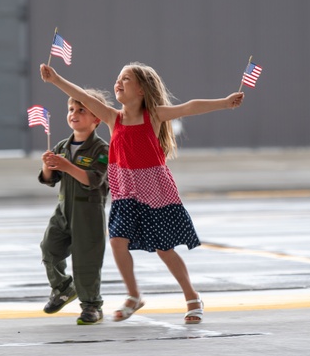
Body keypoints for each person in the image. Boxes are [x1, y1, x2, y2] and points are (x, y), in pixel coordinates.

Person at [40, 61, 244, 324]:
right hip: (125, 192)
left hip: (156, 192)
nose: (118, 82)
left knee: (164, 248)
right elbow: (82, 96)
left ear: (141, 90)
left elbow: (190, 106)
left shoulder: (154, 115)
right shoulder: (114, 117)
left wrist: (225, 103)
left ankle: (192, 296)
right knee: (116, 241)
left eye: (126, 79)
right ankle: (134, 295)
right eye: (118, 77)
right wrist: (55, 79)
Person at [38, 91, 112, 325]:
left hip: (88, 212)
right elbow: (51, 180)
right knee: (49, 247)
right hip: (64, 209)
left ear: (96, 119)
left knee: (86, 260)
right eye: (71, 109)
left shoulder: (101, 149)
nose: (74, 114)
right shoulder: (62, 146)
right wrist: (48, 165)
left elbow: (94, 180)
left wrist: (67, 166)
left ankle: (92, 305)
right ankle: (63, 287)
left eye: (82, 110)